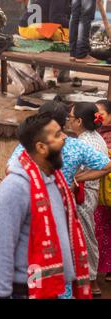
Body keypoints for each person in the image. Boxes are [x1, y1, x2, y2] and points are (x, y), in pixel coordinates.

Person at [0, 113, 91, 299]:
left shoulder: (55, 180)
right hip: (26, 290)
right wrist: (3, 294)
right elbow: (3, 248)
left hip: (50, 287)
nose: (64, 138)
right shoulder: (14, 188)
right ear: (41, 147)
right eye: (57, 135)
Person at [8, 101, 111, 186]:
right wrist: (74, 179)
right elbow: (107, 165)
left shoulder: (29, 143)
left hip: (39, 198)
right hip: (61, 200)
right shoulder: (77, 146)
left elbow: (10, 169)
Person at [67, 102, 107, 296]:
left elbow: (103, 167)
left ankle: (90, 280)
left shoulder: (84, 142)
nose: (69, 121)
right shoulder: (95, 137)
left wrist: (77, 178)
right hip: (90, 193)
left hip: (84, 194)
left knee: (84, 236)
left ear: (79, 121)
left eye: (71, 118)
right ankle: (90, 279)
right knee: (87, 235)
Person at [94, 99, 111, 283]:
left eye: (101, 114)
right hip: (100, 191)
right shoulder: (95, 135)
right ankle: (103, 267)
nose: (97, 118)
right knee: (101, 227)